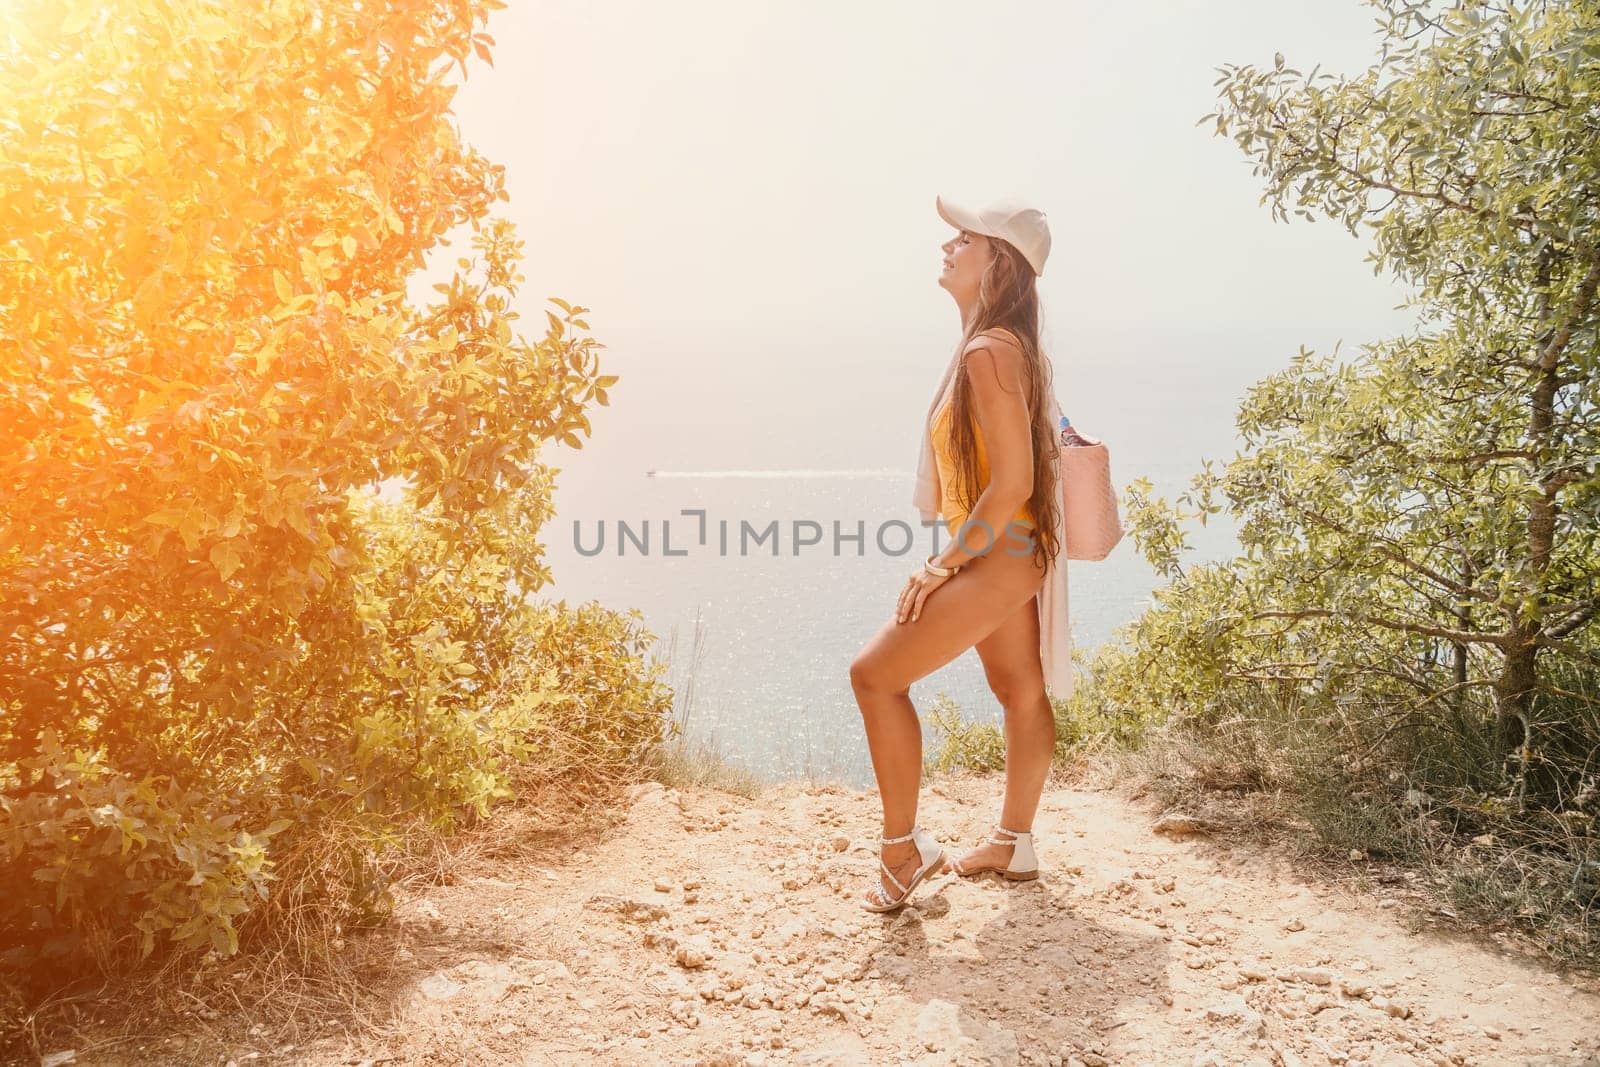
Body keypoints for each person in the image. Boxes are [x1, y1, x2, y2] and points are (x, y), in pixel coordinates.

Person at [849, 194, 1065, 913]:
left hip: (997, 553)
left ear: (997, 262)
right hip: (1013, 551)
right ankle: (1014, 841)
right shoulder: (1005, 344)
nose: (947, 247)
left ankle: (903, 852)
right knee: (1020, 689)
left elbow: (1013, 483)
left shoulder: (987, 351)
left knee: (875, 676)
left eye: (964, 238)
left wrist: (941, 563)